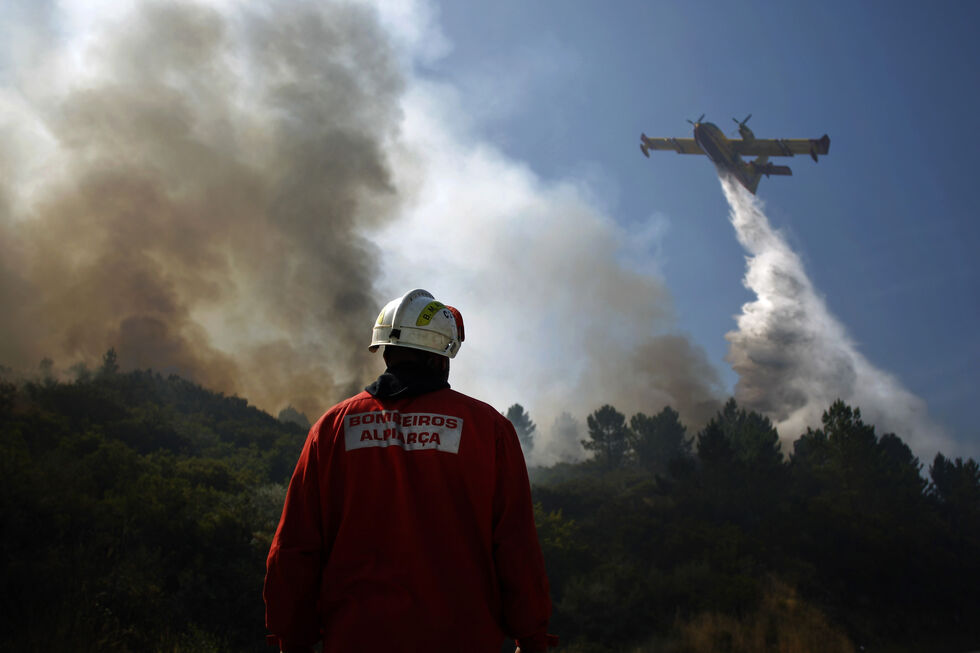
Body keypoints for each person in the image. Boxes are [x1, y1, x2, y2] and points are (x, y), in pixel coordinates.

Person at [264, 289, 555, 653]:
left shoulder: (332, 428)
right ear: (443, 357)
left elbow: (294, 547)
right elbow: (516, 547)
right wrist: (530, 637)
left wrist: (292, 638)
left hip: (356, 639)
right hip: (463, 639)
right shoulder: (489, 429)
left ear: (384, 350)